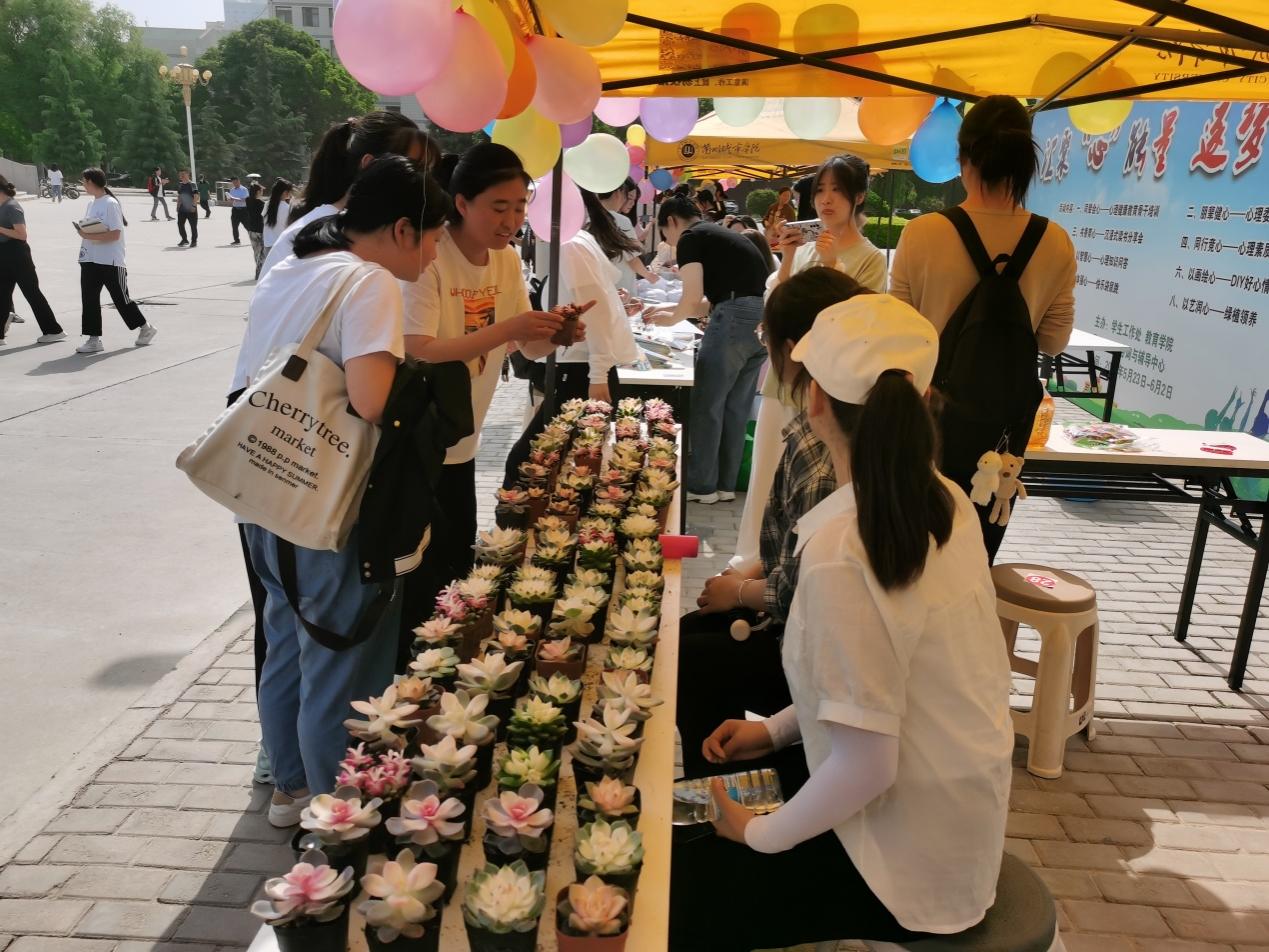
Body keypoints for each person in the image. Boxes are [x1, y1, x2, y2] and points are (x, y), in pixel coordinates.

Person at [669, 294, 1013, 951]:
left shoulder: (843, 550)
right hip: (945, 824)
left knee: (668, 880)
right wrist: (772, 731)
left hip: (897, 862)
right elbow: (875, 688)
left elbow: (867, 767)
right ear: (924, 398)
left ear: (816, 401)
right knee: (693, 804)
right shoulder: (943, 501)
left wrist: (757, 833)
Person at [239, 155, 449, 825]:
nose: (435, 254)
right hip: (325, 501)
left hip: (265, 489)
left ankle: (290, 790)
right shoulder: (370, 282)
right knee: (338, 659)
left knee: (285, 644)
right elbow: (371, 401)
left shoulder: (295, 262)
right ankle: (339, 821)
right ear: (401, 229)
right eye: (433, 238)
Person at [676, 267, 865, 780]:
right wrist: (745, 578)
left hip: (821, 656)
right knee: (690, 637)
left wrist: (741, 592)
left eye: (763, 337)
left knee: (694, 658)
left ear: (792, 351)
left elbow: (807, 589)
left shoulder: (828, 455)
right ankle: (726, 784)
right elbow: (794, 547)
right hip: (808, 628)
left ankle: (725, 789)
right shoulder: (822, 422)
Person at [890, 94, 1076, 560]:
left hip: (927, 417)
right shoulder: (1055, 241)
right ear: (1025, 160)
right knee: (977, 547)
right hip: (1003, 429)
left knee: (916, 548)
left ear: (963, 157)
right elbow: (1054, 340)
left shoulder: (922, 234)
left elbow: (897, 340)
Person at [401, 142, 566, 642]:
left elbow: (528, 347)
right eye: (498, 207)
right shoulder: (432, 256)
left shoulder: (507, 260)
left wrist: (556, 334)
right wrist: (508, 329)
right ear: (462, 202)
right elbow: (418, 350)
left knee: (456, 566)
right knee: (424, 582)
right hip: (419, 444)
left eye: (519, 207)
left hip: (463, 438)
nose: (511, 221)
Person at [502, 187, 639, 487]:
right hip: (578, 368)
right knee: (565, 469)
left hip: (580, 372)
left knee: (529, 465)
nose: (520, 216)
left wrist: (598, 375)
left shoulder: (572, 245)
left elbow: (598, 310)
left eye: (524, 205)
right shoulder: (576, 241)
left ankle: (518, 516)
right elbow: (601, 301)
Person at [646, 194, 768, 504]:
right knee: (735, 408)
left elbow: (692, 298)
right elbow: (707, 302)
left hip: (734, 319)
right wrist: (666, 311)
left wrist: (671, 318)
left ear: (671, 221)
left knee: (707, 404)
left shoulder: (690, 237)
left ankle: (702, 487)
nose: (670, 243)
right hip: (762, 322)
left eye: (665, 235)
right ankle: (725, 485)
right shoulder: (719, 234)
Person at [258, 111, 439, 282]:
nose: (424, 184)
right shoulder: (319, 237)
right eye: (414, 168)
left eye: (428, 173)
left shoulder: (372, 234)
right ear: (369, 165)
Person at [771, 154, 887, 294]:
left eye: (837, 189)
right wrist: (788, 257)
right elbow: (777, 304)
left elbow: (863, 308)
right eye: (820, 190)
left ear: (859, 197)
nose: (826, 200)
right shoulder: (803, 247)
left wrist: (831, 267)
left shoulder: (872, 259)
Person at [75, 168, 156, 354]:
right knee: (89, 299)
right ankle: (93, 339)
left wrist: (86, 234)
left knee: (121, 299)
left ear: (90, 182)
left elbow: (115, 234)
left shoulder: (110, 204)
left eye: (84, 181)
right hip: (90, 259)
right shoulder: (91, 203)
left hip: (110, 261)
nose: (83, 185)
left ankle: (145, 327)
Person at [0, 173, 66, 345]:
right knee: (2, 294)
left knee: (32, 293)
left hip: (18, 255)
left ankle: (54, 330)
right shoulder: (2, 206)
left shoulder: (11, 206)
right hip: (4, 255)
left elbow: (21, 235)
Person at [597, 179, 657, 296]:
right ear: (619, 193)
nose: (631, 203)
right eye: (628, 197)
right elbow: (632, 259)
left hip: (600, 286)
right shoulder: (621, 221)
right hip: (621, 287)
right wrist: (649, 276)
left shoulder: (587, 219)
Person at [262, 178, 294, 260]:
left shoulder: (267, 204)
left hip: (268, 244)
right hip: (281, 246)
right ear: (285, 192)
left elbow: (264, 221)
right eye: (290, 191)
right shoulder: (287, 208)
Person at [244, 183, 266, 279]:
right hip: (260, 229)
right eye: (261, 191)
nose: (262, 192)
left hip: (251, 229)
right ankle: (259, 271)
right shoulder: (261, 203)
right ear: (258, 192)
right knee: (262, 252)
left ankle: (258, 269)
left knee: (256, 251)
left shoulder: (247, 200)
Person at [175, 170, 199, 247]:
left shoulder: (192, 184)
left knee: (193, 226)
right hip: (182, 209)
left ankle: (194, 241)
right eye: (180, 174)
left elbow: (196, 196)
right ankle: (184, 239)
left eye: (183, 174)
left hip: (191, 209)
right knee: (180, 224)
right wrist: (178, 206)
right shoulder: (180, 185)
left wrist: (194, 206)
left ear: (188, 175)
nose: (182, 175)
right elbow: (179, 196)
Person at [227, 176, 248, 243]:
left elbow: (245, 199)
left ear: (239, 181)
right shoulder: (232, 190)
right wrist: (229, 199)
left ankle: (254, 237)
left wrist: (234, 199)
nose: (235, 184)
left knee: (247, 226)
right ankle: (236, 240)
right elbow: (231, 200)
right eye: (233, 183)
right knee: (234, 226)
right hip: (235, 210)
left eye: (236, 182)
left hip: (243, 210)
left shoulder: (244, 189)